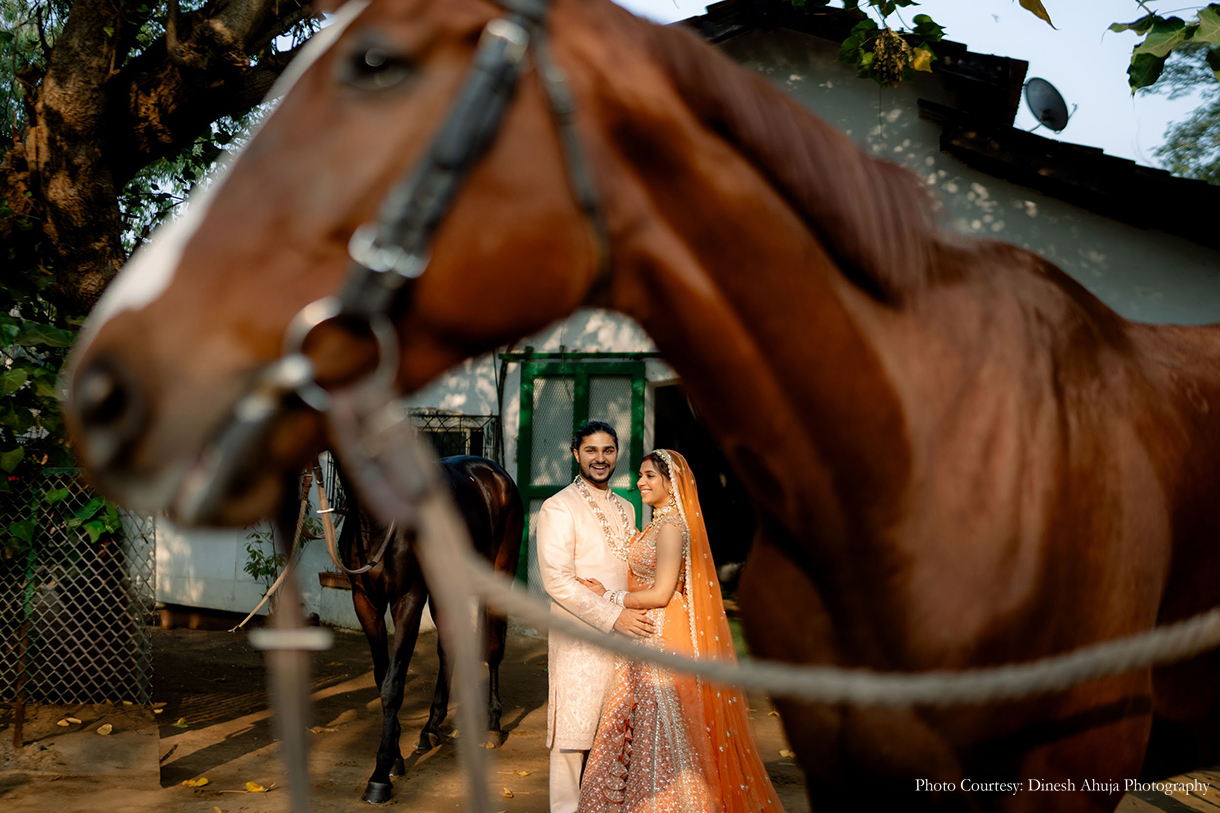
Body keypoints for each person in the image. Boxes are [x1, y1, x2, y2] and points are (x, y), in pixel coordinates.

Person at [575, 450, 786, 813]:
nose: (641, 482)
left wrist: (607, 596)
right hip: (646, 631)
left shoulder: (672, 527)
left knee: (663, 729)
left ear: (671, 483)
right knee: (640, 723)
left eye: (649, 477)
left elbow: (661, 592)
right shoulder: (659, 523)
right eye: (640, 476)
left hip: (662, 632)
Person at [536, 421, 657, 813]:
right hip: (580, 640)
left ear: (616, 454)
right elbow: (557, 582)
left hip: (625, 641)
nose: (600, 459)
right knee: (573, 738)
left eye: (608, 450)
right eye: (591, 450)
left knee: (618, 738)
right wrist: (613, 617)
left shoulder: (626, 507)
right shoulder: (558, 507)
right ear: (576, 454)